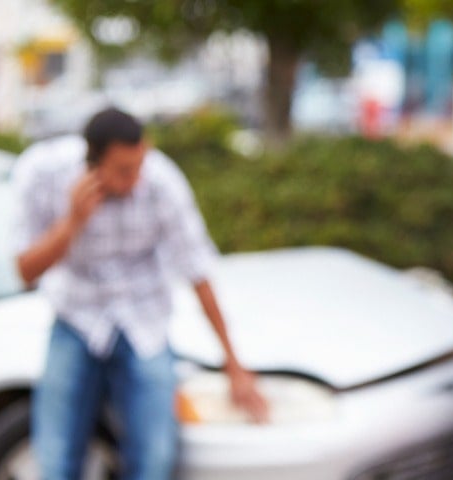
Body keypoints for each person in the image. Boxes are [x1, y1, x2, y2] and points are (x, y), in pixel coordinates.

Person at [13, 107, 270, 480]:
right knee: (54, 456)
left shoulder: (162, 182)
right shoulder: (44, 172)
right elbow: (25, 271)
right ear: (92, 164)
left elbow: (197, 269)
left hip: (143, 320)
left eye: (139, 165)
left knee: (155, 456)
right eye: (123, 170)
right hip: (76, 316)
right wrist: (72, 222)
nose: (135, 179)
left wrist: (234, 363)